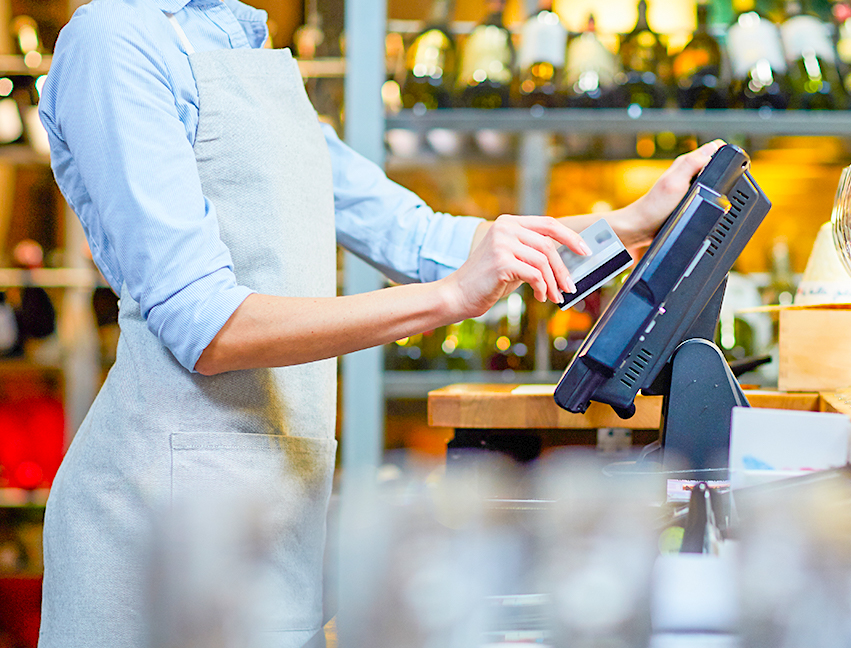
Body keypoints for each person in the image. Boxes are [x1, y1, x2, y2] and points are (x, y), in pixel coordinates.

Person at [35, 0, 723, 645]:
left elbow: (420, 238)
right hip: (158, 523)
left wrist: (634, 223)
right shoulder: (114, 38)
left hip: (275, 500)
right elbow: (208, 328)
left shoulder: (244, 44)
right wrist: (452, 299)